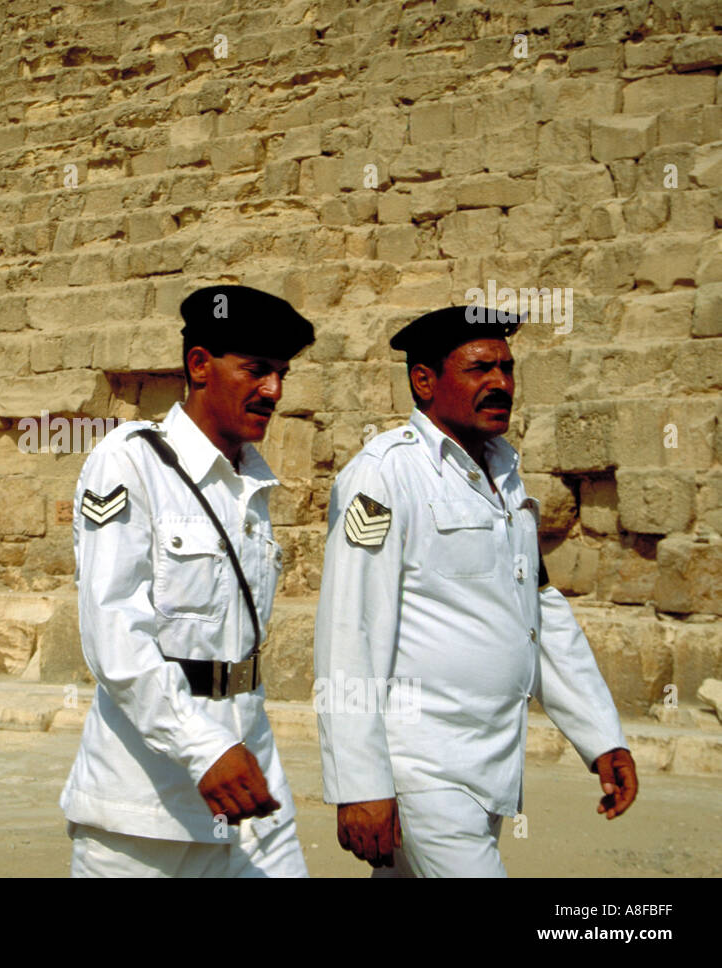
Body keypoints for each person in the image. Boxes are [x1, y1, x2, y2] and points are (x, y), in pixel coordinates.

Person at [313, 305, 637, 877]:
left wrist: (601, 737)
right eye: (480, 369)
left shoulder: (505, 477)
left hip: (489, 766)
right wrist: (358, 782)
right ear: (424, 381)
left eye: (508, 369)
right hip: (423, 772)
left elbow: (539, 617)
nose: (501, 384)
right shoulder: (385, 475)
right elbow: (349, 631)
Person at [59, 284, 314, 877]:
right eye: (256, 370)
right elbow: (115, 629)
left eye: (281, 373)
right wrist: (205, 749)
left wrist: (234, 749)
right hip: (145, 810)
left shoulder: (250, 483)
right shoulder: (131, 462)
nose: (273, 390)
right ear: (199, 365)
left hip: (250, 784)